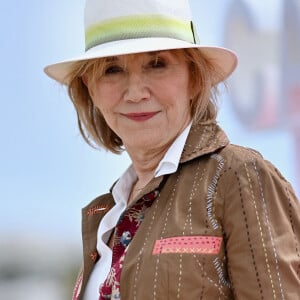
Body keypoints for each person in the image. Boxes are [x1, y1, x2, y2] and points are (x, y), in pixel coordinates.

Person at [44, 0, 300, 299]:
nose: (136, 92)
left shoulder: (240, 178)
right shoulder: (107, 217)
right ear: (90, 87)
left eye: (157, 64)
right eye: (112, 69)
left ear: (194, 77)